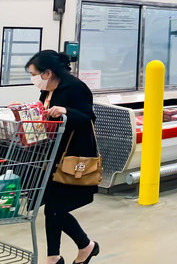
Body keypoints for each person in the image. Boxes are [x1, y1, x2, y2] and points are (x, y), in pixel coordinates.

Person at [23, 50, 100, 264]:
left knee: (55, 208)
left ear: (48, 72)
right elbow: (43, 114)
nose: (33, 79)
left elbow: (88, 118)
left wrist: (66, 110)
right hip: (51, 156)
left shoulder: (75, 88)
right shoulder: (48, 90)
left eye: (34, 74)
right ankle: (66, 253)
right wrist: (24, 111)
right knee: (53, 208)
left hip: (72, 159)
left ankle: (78, 249)